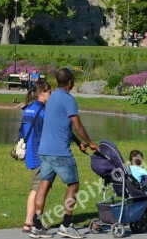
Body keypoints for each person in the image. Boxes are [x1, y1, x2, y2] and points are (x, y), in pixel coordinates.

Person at [31, 68, 97, 239]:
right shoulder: (68, 100)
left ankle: (36, 225)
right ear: (70, 82)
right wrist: (89, 143)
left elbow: (62, 126)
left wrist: (78, 143)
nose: (74, 83)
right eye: (73, 81)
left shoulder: (51, 98)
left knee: (44, 185)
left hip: (44, 150)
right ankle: (66, 225)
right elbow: (77, 125)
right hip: (60, 152)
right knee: (73, 185)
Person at [20, 79, 51, 234]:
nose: (51, 95)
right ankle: (29, 222)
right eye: (49, 92)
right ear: (42, 93)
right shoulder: (43, 110)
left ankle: (34, 221)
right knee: (37, 189)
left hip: (29, 152)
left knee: (38, 188)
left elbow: (22, 131)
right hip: (39, 153)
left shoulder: (29, 108)